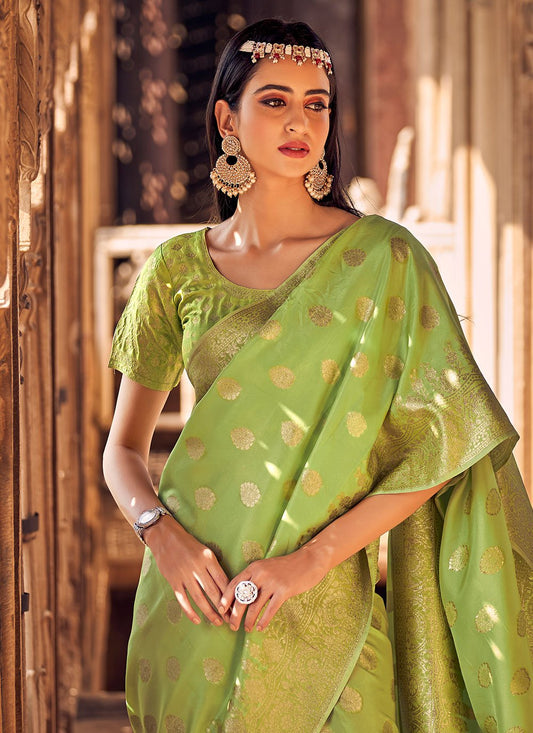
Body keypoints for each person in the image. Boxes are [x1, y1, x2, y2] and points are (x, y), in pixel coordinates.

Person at [103, 18, 533, 733]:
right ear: (226, 119)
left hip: (327, 601)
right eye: (274, 101)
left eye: (317, 103)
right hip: (190, 606)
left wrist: (309, 562)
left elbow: (447, 438)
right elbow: (122, 449)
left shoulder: (385, 259)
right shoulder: (176, 269)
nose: (300, 121)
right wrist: (162, 537)